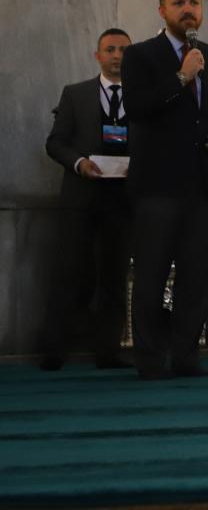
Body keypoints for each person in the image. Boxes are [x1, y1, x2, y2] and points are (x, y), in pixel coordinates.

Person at [122, 0, 208, 380]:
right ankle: (151, 360)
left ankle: (187, 356)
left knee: (195, 274)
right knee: (152, 273)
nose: (188, 9)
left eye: (194, 3)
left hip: (202, 183)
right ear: (162, 11)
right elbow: (137, 108)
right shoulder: (140, 56)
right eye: (179, 3)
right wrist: (180, 78)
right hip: (157, 185)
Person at [40, 28, 135, 371]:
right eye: (110, 49)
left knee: (114, 275)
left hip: (123, 199)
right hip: (81, 197)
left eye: (124, 50)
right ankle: (55, 349)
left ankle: (108, 351)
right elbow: (55, 142)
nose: (117, 56)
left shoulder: (143, 97)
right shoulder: (75, 94)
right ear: (98, 56)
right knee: (69, 272)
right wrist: (79, 163)